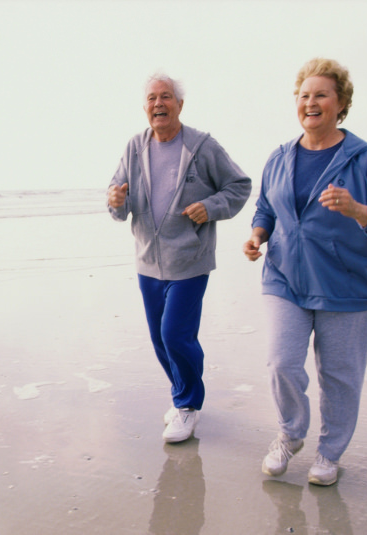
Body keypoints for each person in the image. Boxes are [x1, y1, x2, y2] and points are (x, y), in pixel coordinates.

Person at [243, 58, 367, 485]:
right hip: (285, 278)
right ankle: (290, 434)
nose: (310, 103)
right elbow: (265, 208)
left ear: (341, 103)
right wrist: (257, 237)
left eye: (320, 95)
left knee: (339, 377)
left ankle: (329, 453)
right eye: (303, 96)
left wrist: (357, 209)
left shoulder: (365, 158)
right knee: (281, 363)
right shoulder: (279, 157)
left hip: (346, 285)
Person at [108, 73, 251, 444]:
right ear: (145, 108)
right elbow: (116, 197)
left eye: (166, 97)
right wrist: (115, 201)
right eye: (152, 99)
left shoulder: (202, 146)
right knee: (160, 338)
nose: (159, 104)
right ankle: (182, 394)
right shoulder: (133, 148)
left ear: (180, 105)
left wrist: (211, 206)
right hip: (148, 261)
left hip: (189, 259)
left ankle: (187, 405)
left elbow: (239, 186)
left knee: (176, 334)